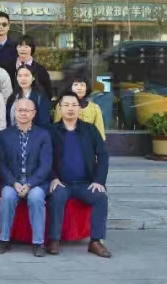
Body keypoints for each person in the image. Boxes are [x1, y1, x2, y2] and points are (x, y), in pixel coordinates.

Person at [47, 91, 111, 258]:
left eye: (74, 105)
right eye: (66, 105)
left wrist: (99, 181)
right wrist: (53, 177)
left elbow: (103, 155)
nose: (70, 108)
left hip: (85, 183)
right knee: (57, 196)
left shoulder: (90, 130)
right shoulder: (51, 131)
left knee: (100, 197)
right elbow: (45, 157)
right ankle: (54, 239)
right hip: (62, 182)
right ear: (59, 108)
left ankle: (95, 241)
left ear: (79, 108)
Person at [0, 98, 52, 257]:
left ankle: (38, 243)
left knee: (36, 197)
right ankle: (4, 240)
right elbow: (1, 164)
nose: (23, 113)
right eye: (20, 110)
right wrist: (14, 183)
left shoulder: (43, 135)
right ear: (14, 112)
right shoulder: (5, 135)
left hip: (36, 183)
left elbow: (46, 164)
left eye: (27, 111)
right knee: (7, 196)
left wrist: (30, 183)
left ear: (33, 113)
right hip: (12, 182)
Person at [8, 65, 53, 130]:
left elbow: (44, 123)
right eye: (20, 76)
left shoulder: (40, 97)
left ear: (33, 77)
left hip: (34, 135)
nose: (23, 79)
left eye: (26, 75)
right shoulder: (13, 97)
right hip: (13, 134)